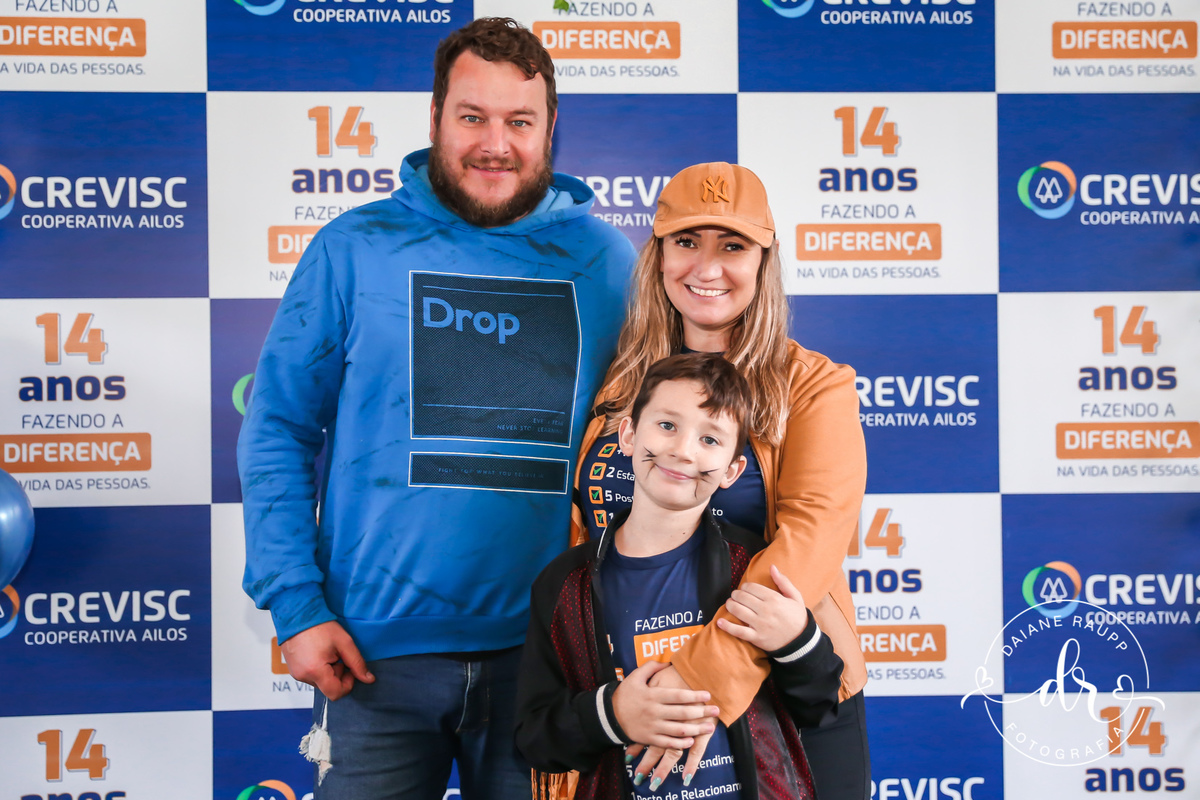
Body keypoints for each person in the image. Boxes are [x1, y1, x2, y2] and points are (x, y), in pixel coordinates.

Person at [237, 17, 636, 800]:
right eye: (472, 117)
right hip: (373, 658)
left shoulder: (608, 262)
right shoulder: (354, 248)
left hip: (549, 660)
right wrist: (296, 605)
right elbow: (278, 429)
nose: (496, 144)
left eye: (519, 121)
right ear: (435, 118)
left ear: (550, 126)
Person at [572, 163, 870, 800]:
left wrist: (695, 682)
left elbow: (808, 545)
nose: (707, 267)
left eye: (733, 246)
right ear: (658, 255)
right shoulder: (618, 384)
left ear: (764, 261)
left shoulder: (814, 386)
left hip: (779, 697)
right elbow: (582, 536)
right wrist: (601, 690)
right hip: (638, 698)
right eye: (686, 241)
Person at [515, 353, 844, 800]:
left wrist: (796, 641)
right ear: (628, 435)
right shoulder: (565, 586)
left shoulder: (752, 567)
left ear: (731, 471)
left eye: (710, 439)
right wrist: (612, 715)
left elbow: (818, 705)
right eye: (667, 425)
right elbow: (535, 739)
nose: (683, 451)